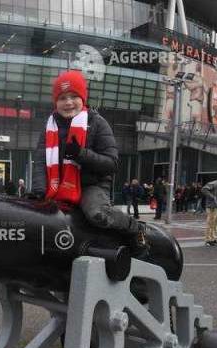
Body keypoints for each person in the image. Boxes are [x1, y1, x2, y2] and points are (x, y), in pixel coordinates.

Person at [30, 70, 144, 249]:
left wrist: (80, 154)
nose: (68, 102)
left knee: (97, 214)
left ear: (82, 98)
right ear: (56, 102)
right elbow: (40, 162)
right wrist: (38, 190)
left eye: (73, 96)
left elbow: (111, 164)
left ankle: (135, 228)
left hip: (91, 185)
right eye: (62, 98)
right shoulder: (49, 127)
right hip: (57, 184)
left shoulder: (98, 123)